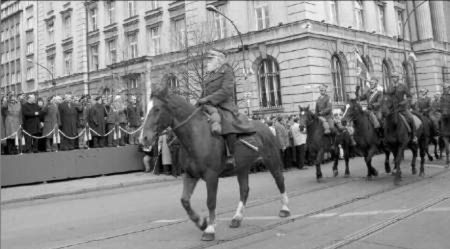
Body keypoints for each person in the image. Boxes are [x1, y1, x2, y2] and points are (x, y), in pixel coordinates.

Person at [197, 49, 255, 168]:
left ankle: (233, 155)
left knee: (228, 124)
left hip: (224, 105)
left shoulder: (227, 71)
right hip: (209, 106)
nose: (207, 63)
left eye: (210, 60)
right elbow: (204, 93)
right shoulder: (209, 75)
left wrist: (208, 99)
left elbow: (226, 90)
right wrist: (197, 104)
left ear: (217, 61)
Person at [385, 72, 417, 143]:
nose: (394, 78)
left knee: (411, 118)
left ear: (398, 78)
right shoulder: (389, 87)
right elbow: (387, 97)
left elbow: (409, 97)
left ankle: (414, 136)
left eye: (395, 77)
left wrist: (403, 102)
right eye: (392, 77)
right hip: (392, 109)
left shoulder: (403, 86)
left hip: (402, 108)